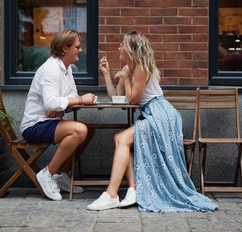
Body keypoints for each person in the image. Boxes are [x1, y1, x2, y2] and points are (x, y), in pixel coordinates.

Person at [87, 30, 218, 212]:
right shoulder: (128, 69)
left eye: (122, 45)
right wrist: (107, 74)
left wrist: (126, 78)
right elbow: (117, 97)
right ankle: (132, 190)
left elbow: (132, 100)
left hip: (160, 114)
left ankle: (111, 194)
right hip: (151, 113)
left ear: (131, 49)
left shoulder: (141, 68)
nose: (119, 48)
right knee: (123, 141)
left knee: (122, 139)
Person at [20, 29, 96, 201]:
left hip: (49, 121)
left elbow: (67, 99)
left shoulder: (67, 69)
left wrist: (63, 103)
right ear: (64, 49)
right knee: (79, 130)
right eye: (77, 47)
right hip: (34, 126)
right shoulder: (51, 69)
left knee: (88, 131)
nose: (81, 50)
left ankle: (60, 176)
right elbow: (52, 103)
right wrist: (77, 100)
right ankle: (47, 174)